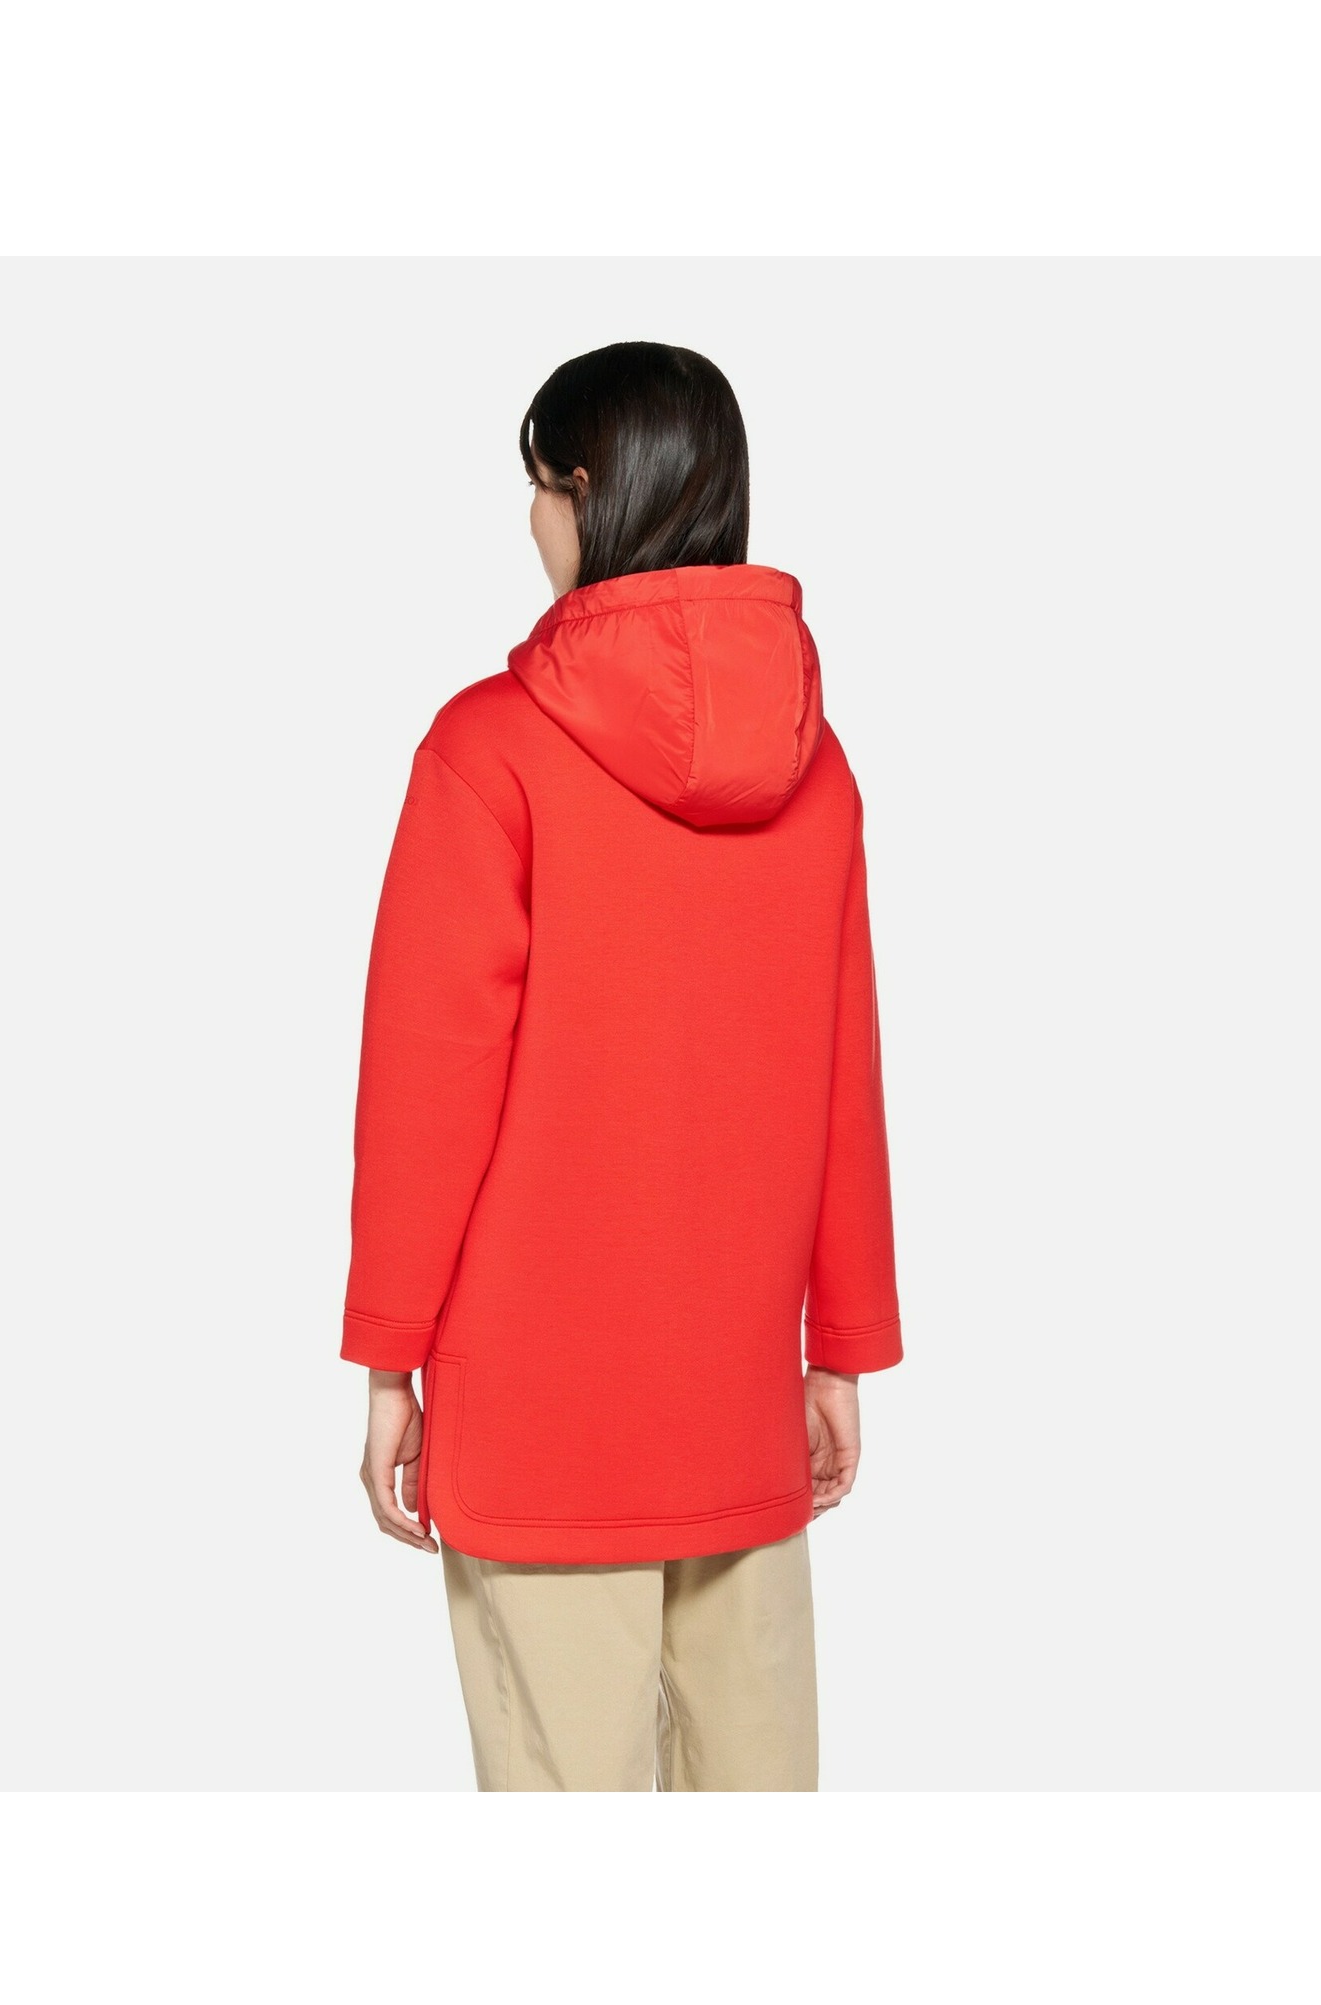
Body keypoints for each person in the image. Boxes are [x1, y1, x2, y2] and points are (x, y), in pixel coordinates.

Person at [340, 341, 904, 1792]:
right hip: (737, 1408)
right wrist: (837, 1350)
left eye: (538, 486)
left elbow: (426, 1084)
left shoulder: (490, 751)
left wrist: (391, 1356)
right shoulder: (817, 763)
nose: (530, 520)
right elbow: (842, 1072)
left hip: (536, 1417)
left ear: (586, 493)